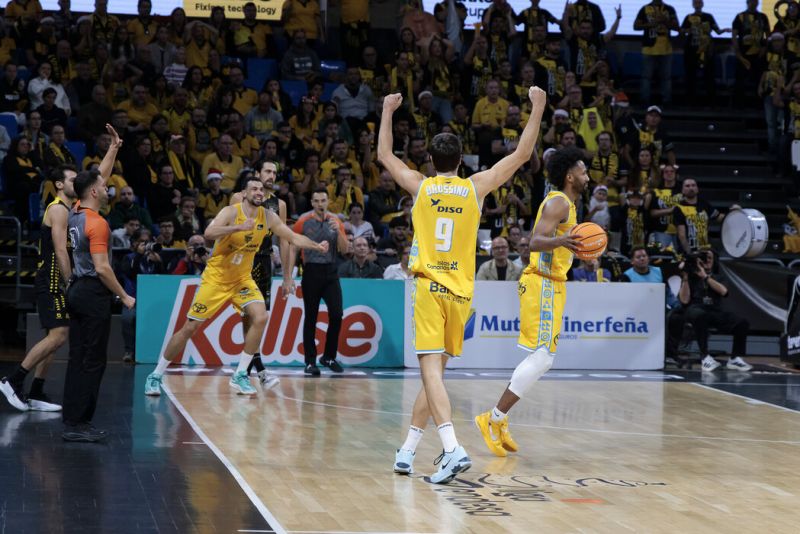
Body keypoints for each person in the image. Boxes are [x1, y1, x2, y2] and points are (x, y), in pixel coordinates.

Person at [378, 85, 546, 484]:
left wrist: (387, 111)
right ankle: (408, 449)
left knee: (430, 373)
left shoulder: (420, 185)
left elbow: (384, 154)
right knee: (435, 374)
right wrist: (538, 105)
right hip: (461, 294)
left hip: (429, 289)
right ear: (460, 160)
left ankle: (452, 448)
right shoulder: (476, 187)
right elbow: (523, 154)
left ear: (431, 159)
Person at [144, 177, 328, 396]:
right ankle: (155, 375)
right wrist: (238, 227)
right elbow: (208, 233)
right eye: (254, 189)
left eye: (261, 190)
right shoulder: (231, 212)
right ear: (244, 193)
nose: (259, 192)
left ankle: (240, 374)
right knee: (190, 328)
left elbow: (293, 237)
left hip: (242, 279)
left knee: (261, 317)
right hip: (217, 278)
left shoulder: (268, 217)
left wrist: (317, 246)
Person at [474, 146, 586, 458]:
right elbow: (533, 241)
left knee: (542, 357)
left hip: (553, 283)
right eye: (582, 171)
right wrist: (562, 241)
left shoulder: (568, 204)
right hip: (543, 283)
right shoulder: (558, 202)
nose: (587, 176)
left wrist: (572, 248)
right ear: (569, 176)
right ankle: (493, 418)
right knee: (543, 358)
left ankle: (498, 418)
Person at [64, 135, 135, 442]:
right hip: (93, 293)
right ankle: (81, 424)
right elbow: (103, 268)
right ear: (94, 192)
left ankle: (72, 418)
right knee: (93, 360)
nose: (108, 189)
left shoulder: (76, 211)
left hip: (77, 290)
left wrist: (113, 149)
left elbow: (96, 178)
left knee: (77, 357)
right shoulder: (98, 223)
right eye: (103, 188)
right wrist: (124, 295)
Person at [0, 165, 77, 412]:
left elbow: (100, 178)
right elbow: (61, 250)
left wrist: (113, 150)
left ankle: (35, 391)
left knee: (54, 338)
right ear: (59, 184)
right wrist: (71, 281)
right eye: (73, 180)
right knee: (59, 335)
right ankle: (13, 381)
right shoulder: (57, 209)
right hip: (51, 280)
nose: (78, 183)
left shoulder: (69, 208)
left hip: (56, 280)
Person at [229, 159, 294, 387]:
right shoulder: (238, 198)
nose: (271, 176)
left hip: (265, 262)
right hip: (243, 261)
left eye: (274, 172)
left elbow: (284, 241)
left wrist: (287, 277)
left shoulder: (279, 205)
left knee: (257, 317)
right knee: (250, 316)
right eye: (267, 171)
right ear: (257, 173)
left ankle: (247, 371)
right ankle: (258, 370)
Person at [292, 188, 350, 375]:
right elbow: (293, 246)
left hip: (331, 272)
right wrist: (289, 275)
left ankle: (328, 356)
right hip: (311, 272)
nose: (320, 204)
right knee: (311, 317)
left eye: (323, 200)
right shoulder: (303, 221)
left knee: (337, 314)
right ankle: (310, 362)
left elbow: (345, 250)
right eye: (316, 201)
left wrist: (338, 232)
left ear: (328, 201)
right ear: (311, 202)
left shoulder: (336, 221)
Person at [678, 249, 753, 372]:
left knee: (742, 322)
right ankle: (705, 357)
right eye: (704, 258)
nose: (707, 260)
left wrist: (705, 277)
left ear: (714, 261)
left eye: (709, 258)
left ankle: (735, 358)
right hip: (695, 309)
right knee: (700, 315)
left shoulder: (718, 277)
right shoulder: (690, 277)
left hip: (714, 311)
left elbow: (724, 292)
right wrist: (685, 277)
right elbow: (684, 301)